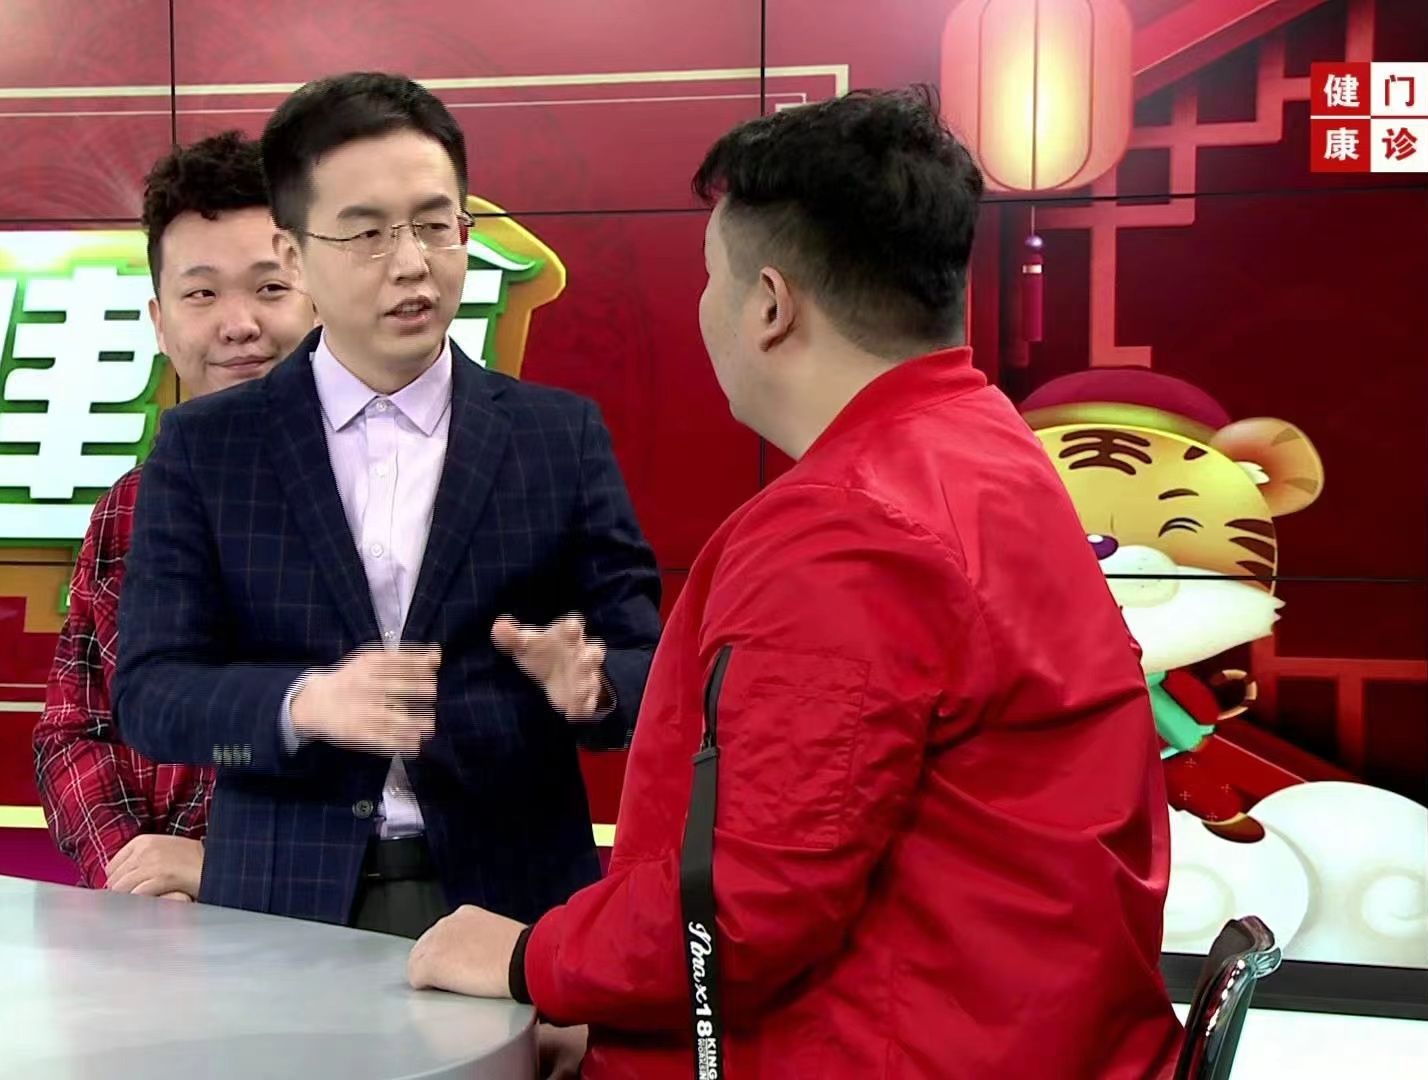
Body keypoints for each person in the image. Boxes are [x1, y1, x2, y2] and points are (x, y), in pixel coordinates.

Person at [407, 87, 1184, 1079]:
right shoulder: (988, 450)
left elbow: (743, 910)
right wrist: (597, 995)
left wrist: (527, 958)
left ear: (770, 305)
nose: (705, 308)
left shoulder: (848, 529)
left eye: (711, 279)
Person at [113, 72, 662, 938]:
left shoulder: (557, 436)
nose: (412, 263)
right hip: (282, 905)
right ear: (296, 255)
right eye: (368, 233)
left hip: (510, 904)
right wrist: (303, 703)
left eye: (436, 225)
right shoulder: (208, 448)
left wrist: (595, 685)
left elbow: (646, 657)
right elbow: (151, 693)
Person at [32, 131, 316, 901]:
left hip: (334, 931)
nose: (238, 324)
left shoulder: (392, 493)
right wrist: (135, 869)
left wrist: (230, 868)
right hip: (156, 932)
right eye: (202, 294)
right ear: (160, 323)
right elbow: (73, 729)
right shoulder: (129, 507)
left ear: (321, 296)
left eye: (270, 287)